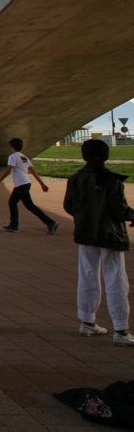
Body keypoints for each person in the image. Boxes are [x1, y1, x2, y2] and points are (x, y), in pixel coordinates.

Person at [64, 139, 134, 346]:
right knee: (116, 279)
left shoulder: (75, 178)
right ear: (106, 156)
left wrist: (84, 217)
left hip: (85, 234)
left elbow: (69, 206)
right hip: (110, 235)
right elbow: (119, 209)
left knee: (87, 275)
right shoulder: (112, 180)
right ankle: (121, 330)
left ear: (83, 156)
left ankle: (87, 321)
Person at [0, 137, 58, 234]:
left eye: (10, 146)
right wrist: (42, 184)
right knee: (12, 202)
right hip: (26, 183)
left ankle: (50, 222)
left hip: (21, 184)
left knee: (29, 205)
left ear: (12, 147)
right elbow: (34, 172)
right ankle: (14, 225)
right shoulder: (24, 157)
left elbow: (8, 170)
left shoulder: (13, 156)